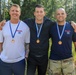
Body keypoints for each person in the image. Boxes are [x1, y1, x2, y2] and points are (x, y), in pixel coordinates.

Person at [0, 4, 76, 75]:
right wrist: (5, 22)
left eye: (41, 12)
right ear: (34, 13)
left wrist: (71, 23)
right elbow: (16, 21)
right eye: (37, 12)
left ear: (44, 13)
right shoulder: (28, 22)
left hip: (43, 58)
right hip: (31, 58)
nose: (39, 14)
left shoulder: (49, 24)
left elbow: (61, 22)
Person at [0, 4, 30, 75]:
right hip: (4, 61)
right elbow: (0, 42)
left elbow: (27, 44)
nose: (15, 12)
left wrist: (26, 56)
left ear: (20, 13)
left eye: (17, 11)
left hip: (19, 61)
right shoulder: (3, 26)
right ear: (9, 12)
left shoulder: (25, 27)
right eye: (12, 10)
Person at [49, 8, 76, 75]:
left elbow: (75, 43)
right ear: (55, 16)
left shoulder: (72, 27)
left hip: (68, 60)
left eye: (62, 13)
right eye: (58, 14)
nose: (60, 15)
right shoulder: (51, 27)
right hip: (54, 61)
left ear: (66, 15)